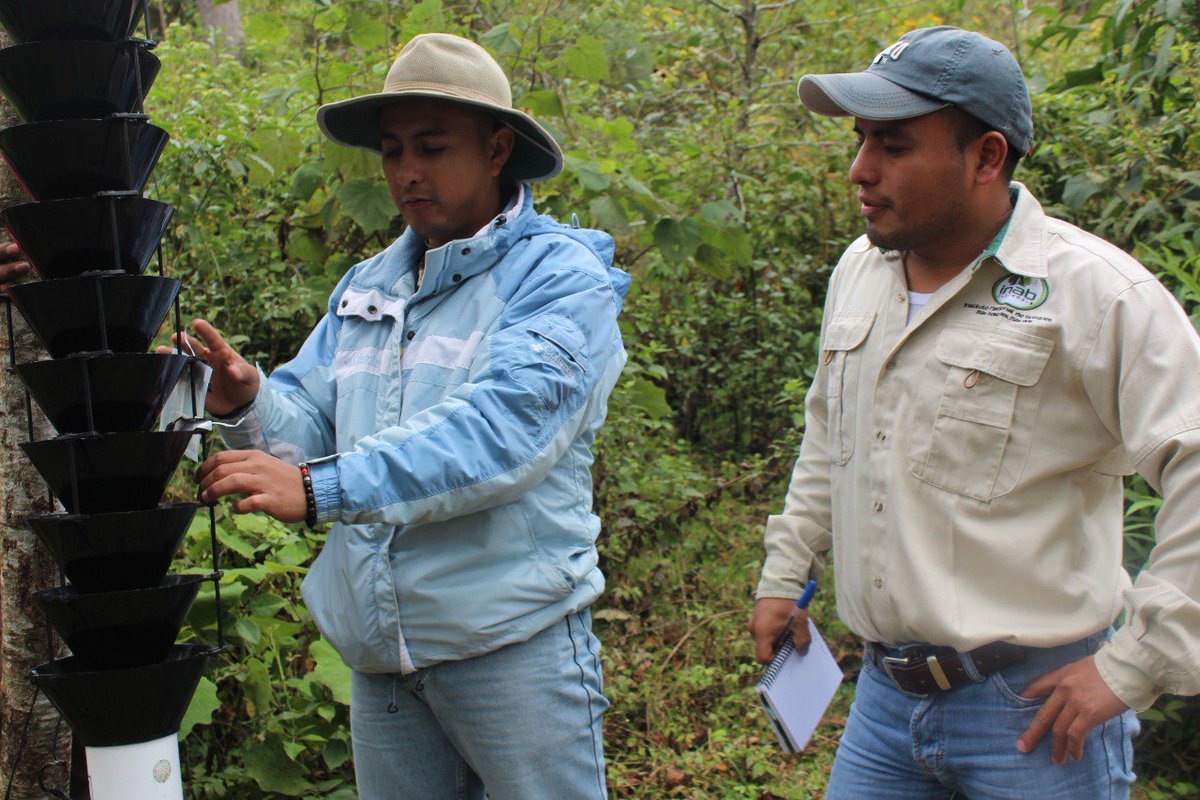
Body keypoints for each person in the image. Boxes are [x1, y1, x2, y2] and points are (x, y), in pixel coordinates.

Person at [748, 26, 1200, 798]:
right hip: (884, 705)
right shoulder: (861, 270)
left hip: (1032, 715)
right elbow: (831, 434)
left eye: (893, 145)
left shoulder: (1095, 294)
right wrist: (786, 573)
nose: (859, 170)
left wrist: (1137, 665)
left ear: (987, 157)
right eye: (860, 140)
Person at [183, 33, 627, 799]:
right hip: (383, 664)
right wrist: (247, 402)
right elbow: (312, 431)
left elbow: (501, 436)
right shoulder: (369, 285)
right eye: (391, 152)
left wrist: (321, 487)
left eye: (431, 146)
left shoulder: (557, 278)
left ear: (497, 149)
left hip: (510, 649)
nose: (406, 173)